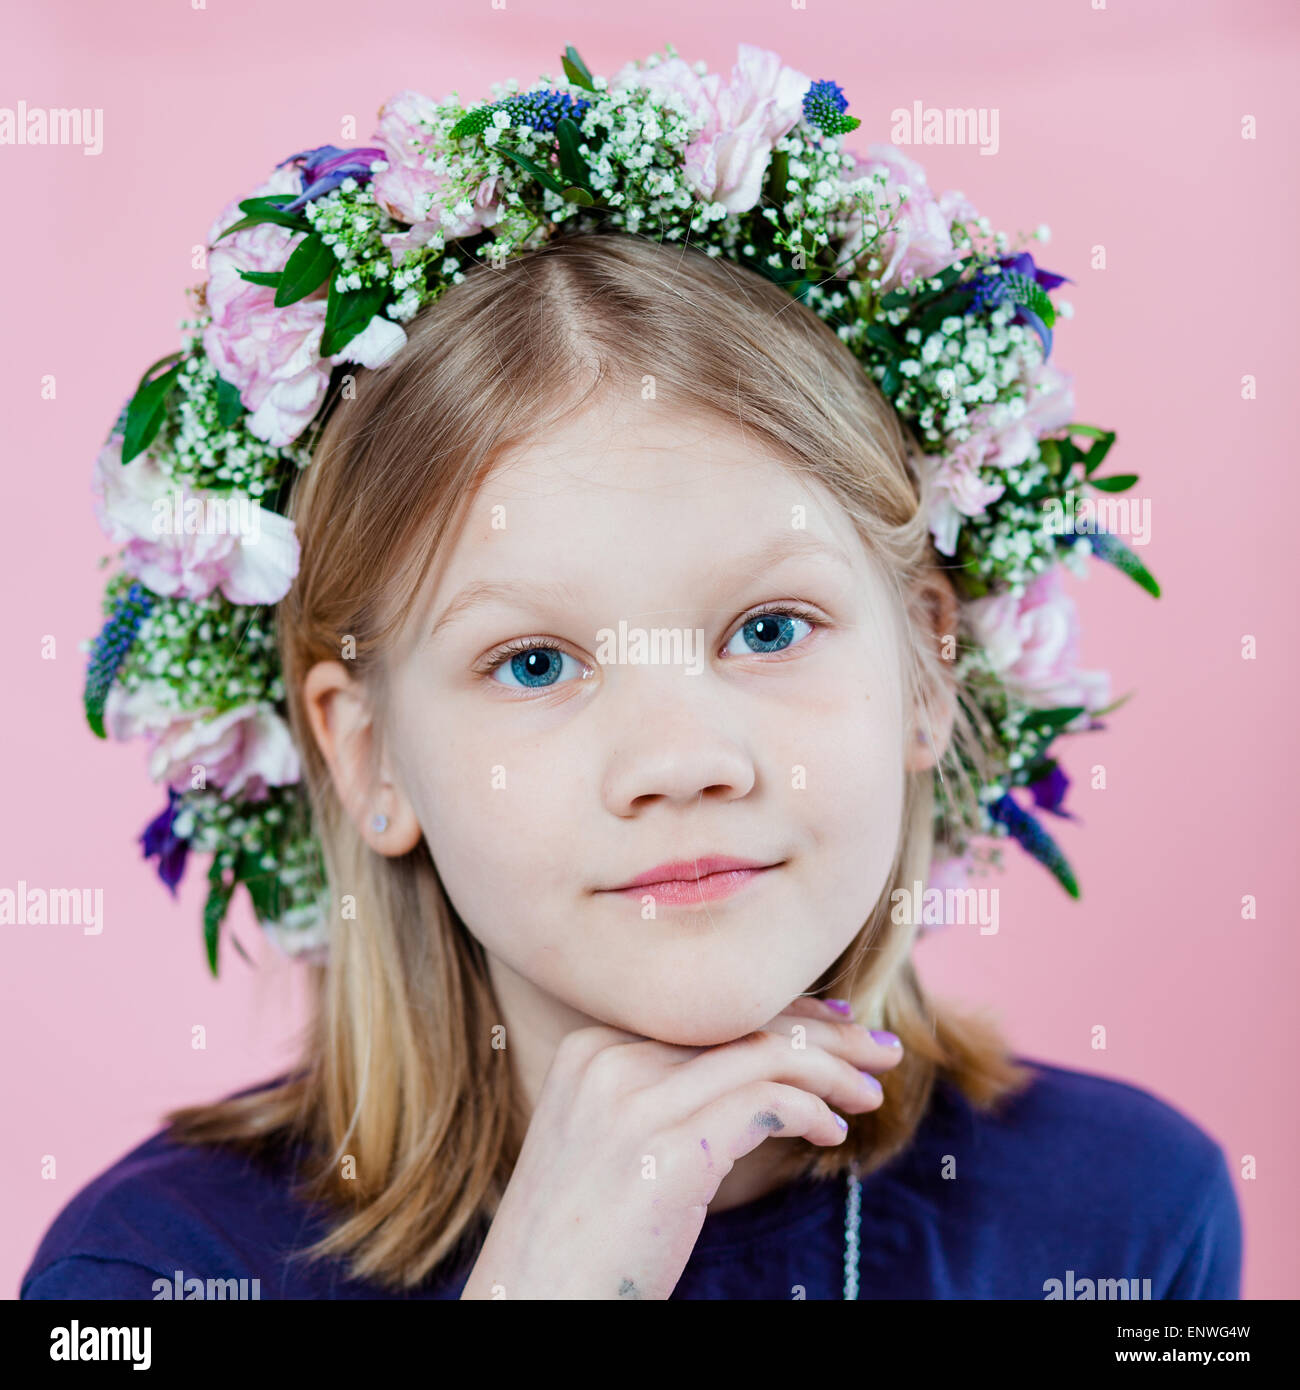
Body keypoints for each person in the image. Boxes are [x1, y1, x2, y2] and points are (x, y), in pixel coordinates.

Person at [23, 47, 1241, 1301]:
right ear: (370, 754)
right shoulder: (148, 1272)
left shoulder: (1127, 1218)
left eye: (769, 628)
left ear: (927, 669)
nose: (681, 759)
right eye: (535, 661)